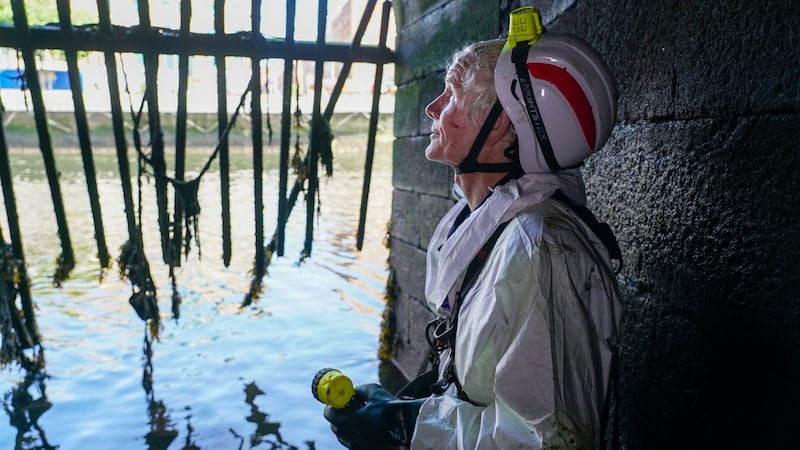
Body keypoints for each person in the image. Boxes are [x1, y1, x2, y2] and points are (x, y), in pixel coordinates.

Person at [324, 5, 622, 449]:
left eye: (451, 95)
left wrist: (408, 429)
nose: (430, 108)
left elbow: (550, 440)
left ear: (501, 125)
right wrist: (417, 404)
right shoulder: (480, 220)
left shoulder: (537, 248)